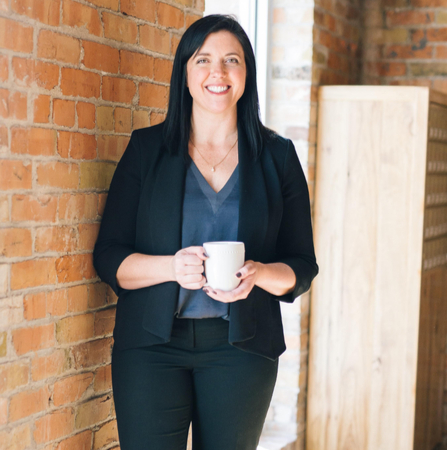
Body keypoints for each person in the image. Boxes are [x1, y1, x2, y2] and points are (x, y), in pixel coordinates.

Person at [93, 14, 318, 450]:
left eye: (231, 60)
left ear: (246, 74)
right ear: (185, 74)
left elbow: (302, 266)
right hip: (150, 349)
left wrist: (258, 275)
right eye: (203, 60)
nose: (218, 73)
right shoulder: (146, 150)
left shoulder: (278, 157)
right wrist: (170, 268)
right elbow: (109, 258)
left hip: (242, 350)